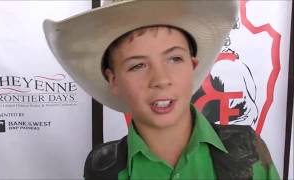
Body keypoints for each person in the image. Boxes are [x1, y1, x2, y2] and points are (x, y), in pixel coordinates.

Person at [43, 0, 280, 179]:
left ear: (193, 65)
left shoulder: (248, 150)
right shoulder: (103, 168)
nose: (161, 79)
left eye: (175, 59)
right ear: (113, 80)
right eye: (137, 65)